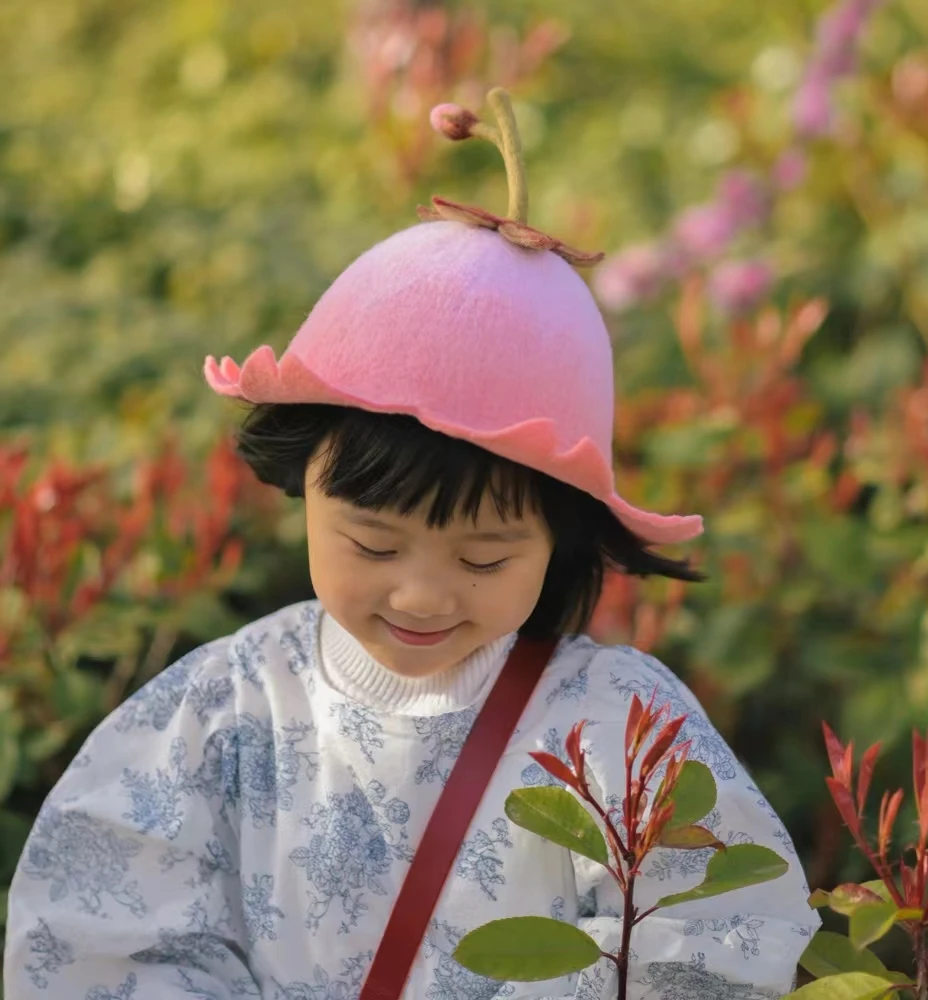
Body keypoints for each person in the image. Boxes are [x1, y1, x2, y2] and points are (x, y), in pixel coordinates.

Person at [4, 89, 819, 1000]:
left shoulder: (621, 733)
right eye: (373, 544)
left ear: (563, 536)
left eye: (483, 560)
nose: (424, 596)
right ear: (300, 484)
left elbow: (713, 944)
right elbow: (103, 937)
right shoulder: (224, 715)